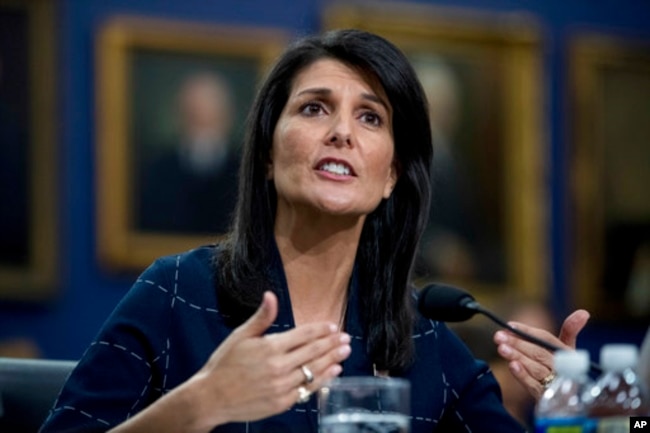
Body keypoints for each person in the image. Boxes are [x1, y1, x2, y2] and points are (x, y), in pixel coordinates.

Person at [40, 29, 581, 433]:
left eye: (371, 117)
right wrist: (200, 405)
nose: (341, 131)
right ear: (270, 154)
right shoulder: (177, 293)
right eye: (315, 107)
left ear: (392, 174)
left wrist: (588, 410)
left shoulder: (426, 341)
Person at [137, 70, 241, 234]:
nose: (203, 131)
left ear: (228, 118)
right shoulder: (158, 171)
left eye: (211, 119)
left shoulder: (246, 170)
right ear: (179, 118)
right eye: (194, 117)